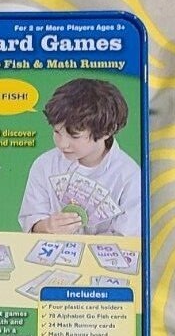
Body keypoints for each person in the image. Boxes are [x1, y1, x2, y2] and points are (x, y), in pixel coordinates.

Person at [18, 78, 141, 236]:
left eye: (74, 136)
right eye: (57, 132)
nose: (63, 144)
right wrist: (46, 226)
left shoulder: (130, 177)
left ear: (107, 132)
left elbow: (127, 237)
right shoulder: (44, 165)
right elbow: (31, 218)